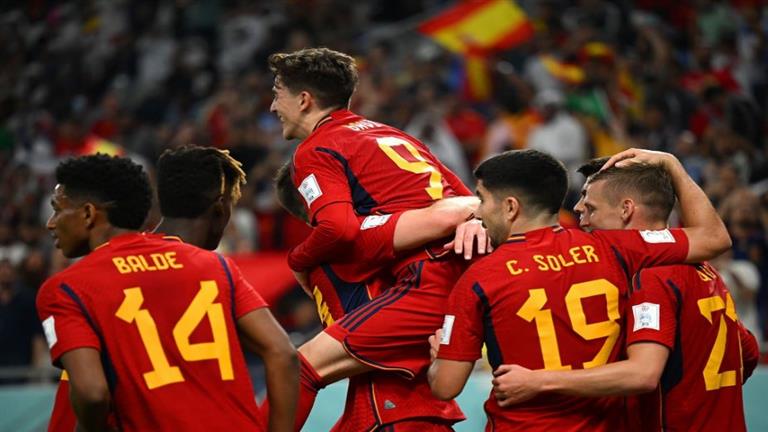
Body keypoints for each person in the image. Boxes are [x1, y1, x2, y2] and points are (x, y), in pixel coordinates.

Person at [427, 149, 732, 431]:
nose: (478, 213)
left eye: (481, 200)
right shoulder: (614, 248)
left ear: (510, 207)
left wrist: (439, 357)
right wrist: (671, 165)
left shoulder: (478, 278)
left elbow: (445, 386)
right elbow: (714, 238)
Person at [267, 47, 481, 430]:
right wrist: (470, 220)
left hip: (428, 280)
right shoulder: (393, 135)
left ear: (304, 100)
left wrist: (298, 260)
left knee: (297, 368)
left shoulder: (315, 150)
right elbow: (473, 202)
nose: (272, 107)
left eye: (277, 94)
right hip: (464, 275)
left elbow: (337, 228)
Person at [37, 151, 297, 432]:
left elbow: (91, 394)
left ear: (88, 213)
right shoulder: (215, 265)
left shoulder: (69, 289)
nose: (51, 222)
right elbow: (283, 353)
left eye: (57, 209)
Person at [275, 161, 479, 430]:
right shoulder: (353, 244)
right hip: (402, 408)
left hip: (379, 408)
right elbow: (448, 214)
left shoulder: (323, 261)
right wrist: (478, 219)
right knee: (302, 367)